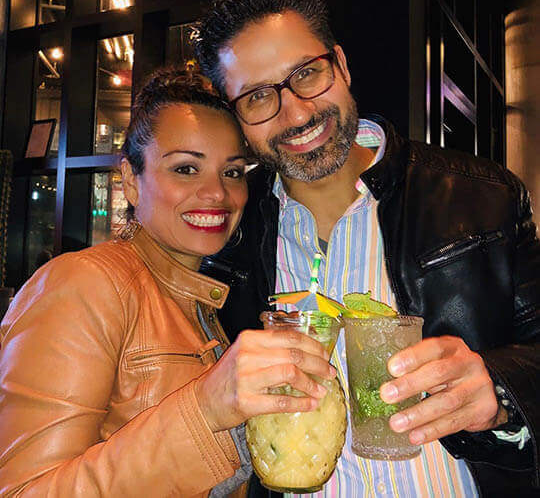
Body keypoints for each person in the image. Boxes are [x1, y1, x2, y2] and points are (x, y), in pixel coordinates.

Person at [195, 0, 540, 496]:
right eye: (258, 96)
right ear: (237, 117)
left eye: (307, 73)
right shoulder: (227, 243)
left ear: (341, 64)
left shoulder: (484, 199)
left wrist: (501, 389)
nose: (296, 112)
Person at [0, 69, 337, 497]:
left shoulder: (204, 306)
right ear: (130, 181)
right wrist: (204, 412)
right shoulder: (84, 284)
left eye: (233, 172)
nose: (216, 193)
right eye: (186, 168)